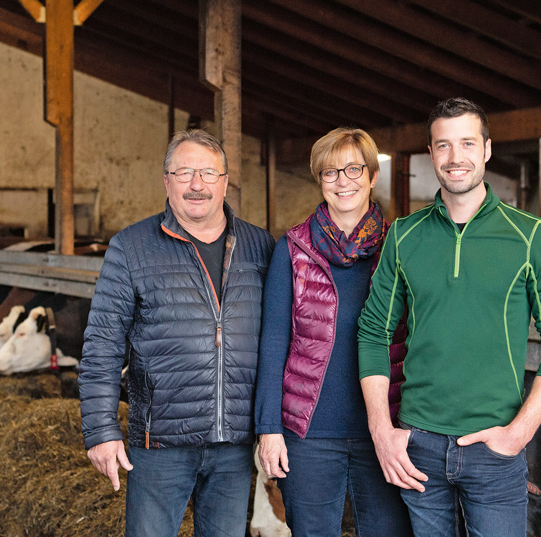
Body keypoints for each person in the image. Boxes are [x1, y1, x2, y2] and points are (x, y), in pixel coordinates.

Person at [357, 98, 541, 537]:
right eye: (443, 145)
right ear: (431, 152)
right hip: (418, 446)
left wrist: (518, 434)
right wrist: (382, 431)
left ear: (487, 149)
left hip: (495, 449)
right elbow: (371, 333)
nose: (455, 157)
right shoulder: (405, 235)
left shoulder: (530, 234)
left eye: (466, 143)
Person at [79, 129, 275, 537]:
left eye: (207, 173)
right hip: (160, 442)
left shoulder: (260, 246)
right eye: (184, 172)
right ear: (166, 181)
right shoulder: (130, 247)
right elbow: (102, 346)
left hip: (234, 442)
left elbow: (280, 340)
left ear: (225, 182)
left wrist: (272, 425)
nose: (197, 185)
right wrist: (100, 429)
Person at [255, 127, 412, 537]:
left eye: (353, 169)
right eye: (330, 172)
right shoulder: (292, 249)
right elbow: (273, 341)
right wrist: (269, 429)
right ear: (319, 180)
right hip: (309, 433)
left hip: (385, 428)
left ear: (373, 176)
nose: (343, 181)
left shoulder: (401, 247)